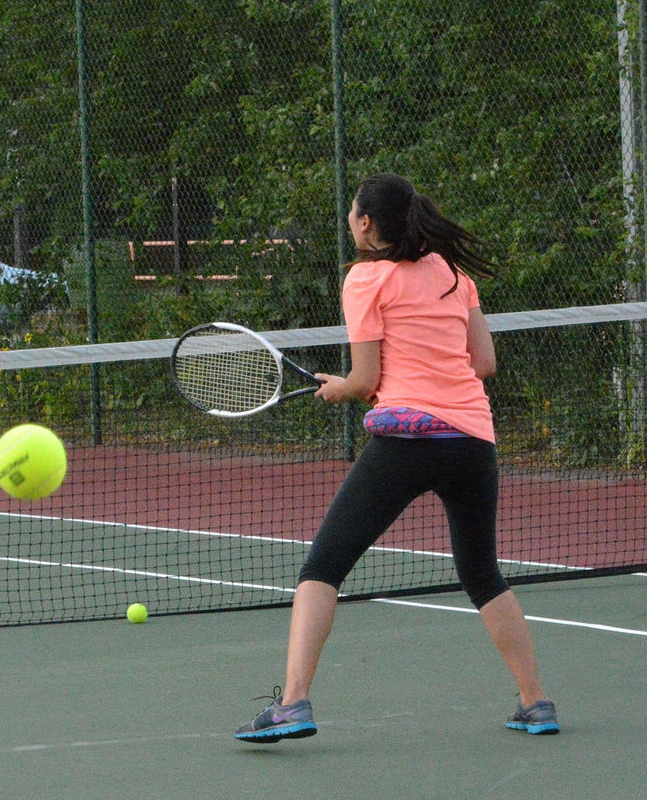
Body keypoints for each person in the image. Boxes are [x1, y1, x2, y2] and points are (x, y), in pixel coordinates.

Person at [237, 172, 556, 744]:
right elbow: (482, 363)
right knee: (483, 575)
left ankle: (292, 704)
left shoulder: (366, 280)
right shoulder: (454, 275)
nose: (349, 219)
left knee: (322, 568)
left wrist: (341, 387)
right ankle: (536, 703)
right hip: (472, 441)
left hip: (406, 444)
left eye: (352, 212)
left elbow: (366, 379)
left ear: (365, 223)